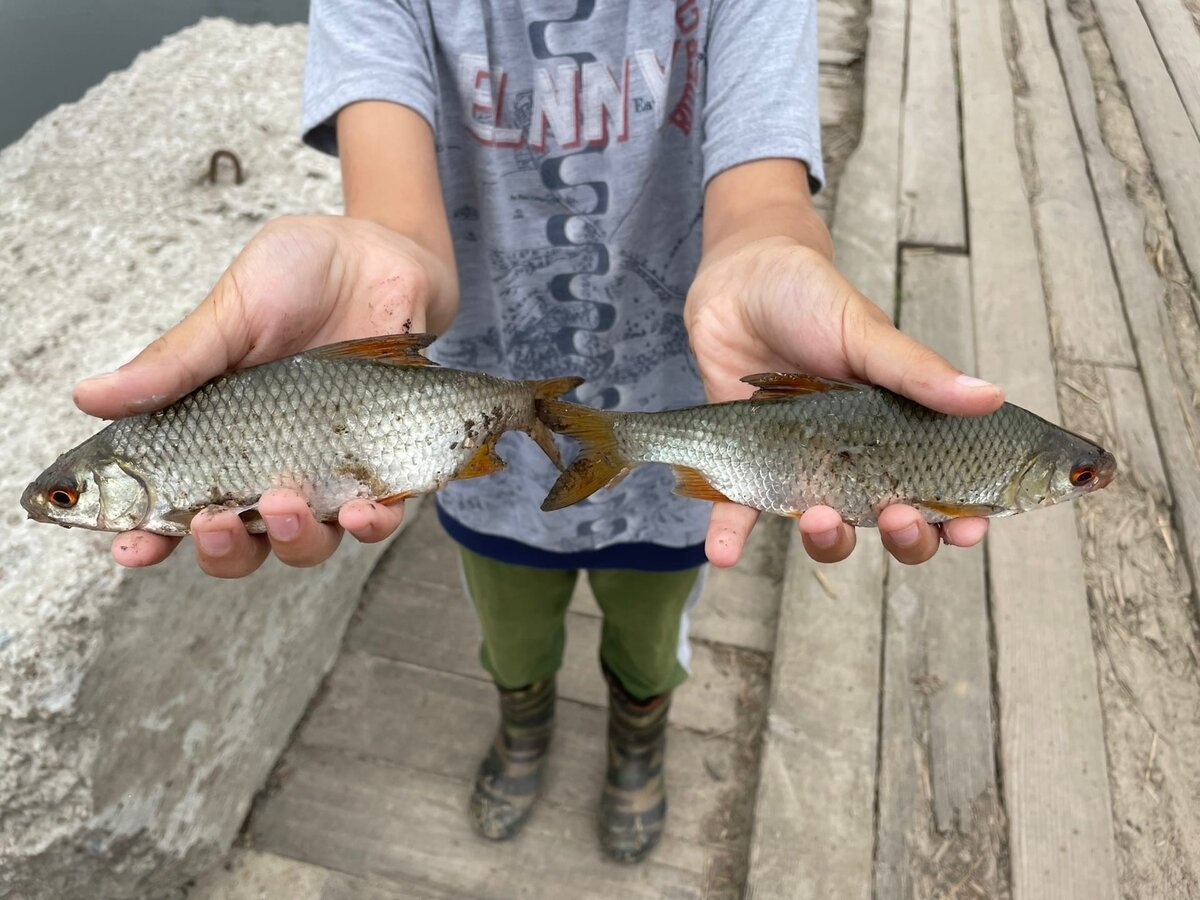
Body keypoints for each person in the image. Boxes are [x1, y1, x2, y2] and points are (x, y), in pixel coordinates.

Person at [73, 0, 1002, 863]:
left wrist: (774, 256)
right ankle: (526, 724)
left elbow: (764, 202)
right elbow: (395, 228)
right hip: (487, 475)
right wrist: (377, 279)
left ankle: (637, 737)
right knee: (512, 632)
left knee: (649, 633)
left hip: (699, 455)